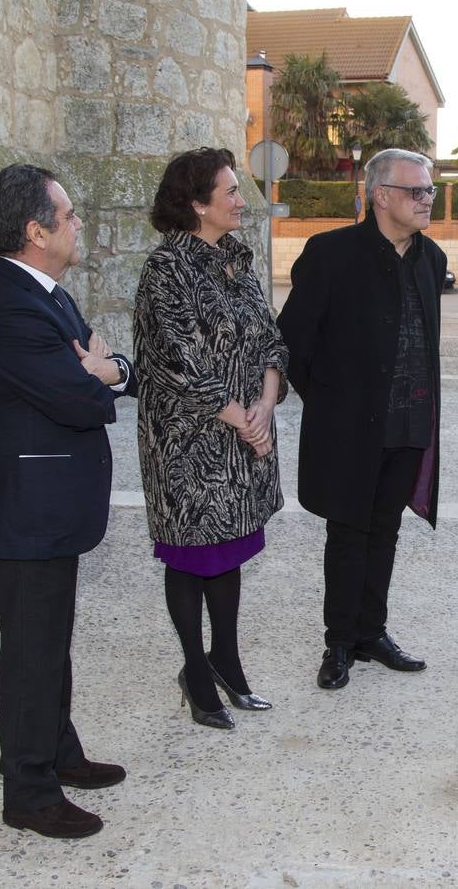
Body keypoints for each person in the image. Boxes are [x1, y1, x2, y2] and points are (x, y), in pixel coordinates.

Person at [0, 163, 136, 839]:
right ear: (37, 231)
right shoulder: (10, 307)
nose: (79, 223)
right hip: (23, 519)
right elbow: (78, 395)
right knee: (31, 656)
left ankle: (58, 754)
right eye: (69, 215)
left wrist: (108, 369)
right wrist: (101, 373)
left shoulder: (45, 292)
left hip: (48, 514)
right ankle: (29, 793)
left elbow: (102, 369)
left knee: (49, 647)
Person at [277, 148, 447, 691]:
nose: (426, 200)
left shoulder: (432, 258)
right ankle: (340, 642)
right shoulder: (329, 254)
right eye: (416, 191)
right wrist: (331, 404)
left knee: (386, 531)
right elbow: (294, 342)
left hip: (409, 425)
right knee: (347, 534)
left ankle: (373, 632)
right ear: (380, 196)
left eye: (429, 191)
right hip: (350, 429)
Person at [134, 147, 287, 728]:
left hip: (245, 434)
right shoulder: (167, 269)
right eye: (229, 192)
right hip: (190, 442)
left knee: (229, 550)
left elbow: (272, 341)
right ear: (197, 203)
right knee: (192, 552)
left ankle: (226, 656)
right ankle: (196, 669)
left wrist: (266, 407)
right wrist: (243, 419)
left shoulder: (236, 262)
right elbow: (175, 360)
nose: (240, 200)